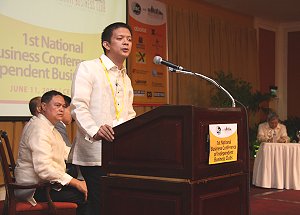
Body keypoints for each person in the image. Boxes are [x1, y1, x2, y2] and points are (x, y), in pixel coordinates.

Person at [70, 22, 136, 214]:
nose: (126, 43)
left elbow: (129, 113)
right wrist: (95, 130)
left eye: (129, 39)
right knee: (99, 204)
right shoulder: (88, 68)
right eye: (120, 38)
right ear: (106, 44)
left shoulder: (126, 78)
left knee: (116, 203)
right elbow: (78, 106)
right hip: (94, 151)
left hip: (120, 152)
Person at [14, 90, 88, 215]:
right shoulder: (39, 129)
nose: (62, 110)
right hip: (34, 189)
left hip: (45, 185)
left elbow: (66, 152)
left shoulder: (49, 127)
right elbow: (44, 170)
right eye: (57, 105)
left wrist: (87, 155)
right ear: (43, 106)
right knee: (87, 195)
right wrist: (76, 183)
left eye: (64, 106)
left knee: (89, 187)